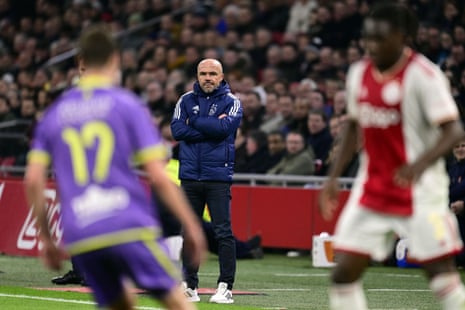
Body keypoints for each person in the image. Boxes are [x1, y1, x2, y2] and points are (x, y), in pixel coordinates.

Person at [24, 25, 206, 310]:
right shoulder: (126, 104)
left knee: (119, 304)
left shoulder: (54, 113)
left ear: (80, 62)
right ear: (114, 60)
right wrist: (192, 226)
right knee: (178, 303)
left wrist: (47, 239)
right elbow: (158, 176)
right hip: (127, 223)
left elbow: (33, 179)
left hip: (82, 232)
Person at [319, 4, 465, 310]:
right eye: (367, 38)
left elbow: (453, 131)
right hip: (372, 189)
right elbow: (354, 125)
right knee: (343, 273)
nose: (371, 45)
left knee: (440, 276)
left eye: (379, 38)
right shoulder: (359, 73)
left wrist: (418, 164)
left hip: (421, 191)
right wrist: (333, 178)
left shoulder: (425, 75)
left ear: (402, 37)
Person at [171, 58, 242, 304]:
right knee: (189, 232)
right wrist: (211, 127)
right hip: (190, 176)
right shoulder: (185, 100)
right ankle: (189, 285)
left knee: (223, 232)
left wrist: (196, 123)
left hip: (217, 177)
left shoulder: (232, 102)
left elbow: (225, 129)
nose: (208, 78)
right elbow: (177, 131)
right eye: (203, 73)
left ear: (222, 77)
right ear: (197, 75)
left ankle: (226, 287)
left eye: (213, 73)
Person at [448, 140, 465, 267]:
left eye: (463, 146)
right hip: (455, 219)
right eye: (457, 146)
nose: (460, 149)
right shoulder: (452, 169)